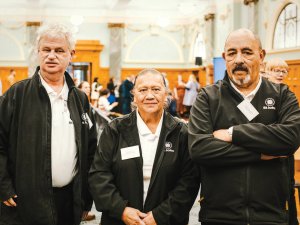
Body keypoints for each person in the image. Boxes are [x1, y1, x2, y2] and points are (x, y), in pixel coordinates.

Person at [188, 28, 300, 225]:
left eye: (247, 52)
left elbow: (290, 138)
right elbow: (200, 149)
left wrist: (233, 133)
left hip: (272, 215)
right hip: (219, 216)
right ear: (225, 58)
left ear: (261, 55)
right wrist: (260, 153)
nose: (239, 59)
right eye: (232, 53)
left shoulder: (282, 95)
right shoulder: (207, 97)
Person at [0, 23, 97, 225]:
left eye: (59, 50)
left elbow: (91, 151)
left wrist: (86, 197)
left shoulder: (80, 99)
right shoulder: (17, 95)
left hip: (69, 201)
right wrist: (4, 187)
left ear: (71, 54)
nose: (51, 55)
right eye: (46, 50)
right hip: (24, 201)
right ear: (38, 53)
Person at [89, 68, 200, 225]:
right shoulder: (115, 129)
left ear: (166, 94)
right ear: (133, 95)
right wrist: (122, 210)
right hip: (120, 220)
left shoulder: (181, 132)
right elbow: (99, 175)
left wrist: (159, 216)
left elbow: (189, 182)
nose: (149, 96)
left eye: (156, 89)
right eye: (142, 90)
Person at [265, 58, 298, 225]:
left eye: (283, 71)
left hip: (284, 153)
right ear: (266, 71)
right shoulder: (262, 94)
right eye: (275, 70)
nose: (280, 74)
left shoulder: (288, 94)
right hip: (264, 154)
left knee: (288, 189)